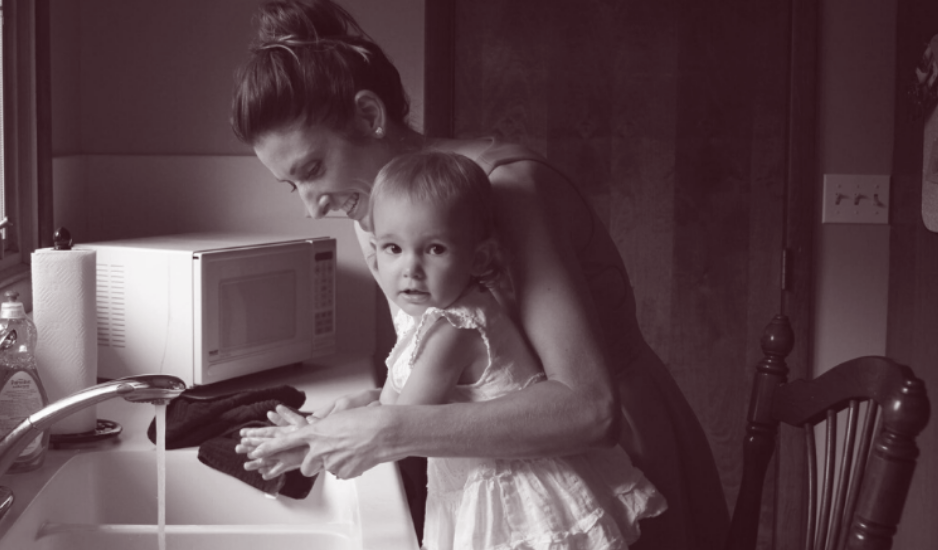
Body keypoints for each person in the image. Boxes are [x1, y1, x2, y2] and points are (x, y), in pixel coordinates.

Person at [231, 1, 729, 548]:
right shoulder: (373, 211)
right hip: (505, 486)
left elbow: (588, 409)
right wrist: (358, 412)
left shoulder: (505, 191)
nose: (312, 206)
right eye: (291, 185)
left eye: (312, 170)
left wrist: (386, 430)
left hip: (616, 473)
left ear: (370, 115)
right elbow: (480, 369)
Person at [370, 150, 668, 548]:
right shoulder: (428, 317)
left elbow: (396, 423)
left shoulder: (455, 329)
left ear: (478, 259)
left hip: (517, 501)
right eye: (393, 248)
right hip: (494, 485)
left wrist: (313, 439)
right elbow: (389, 402)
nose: (410, 268)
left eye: (435, 249)